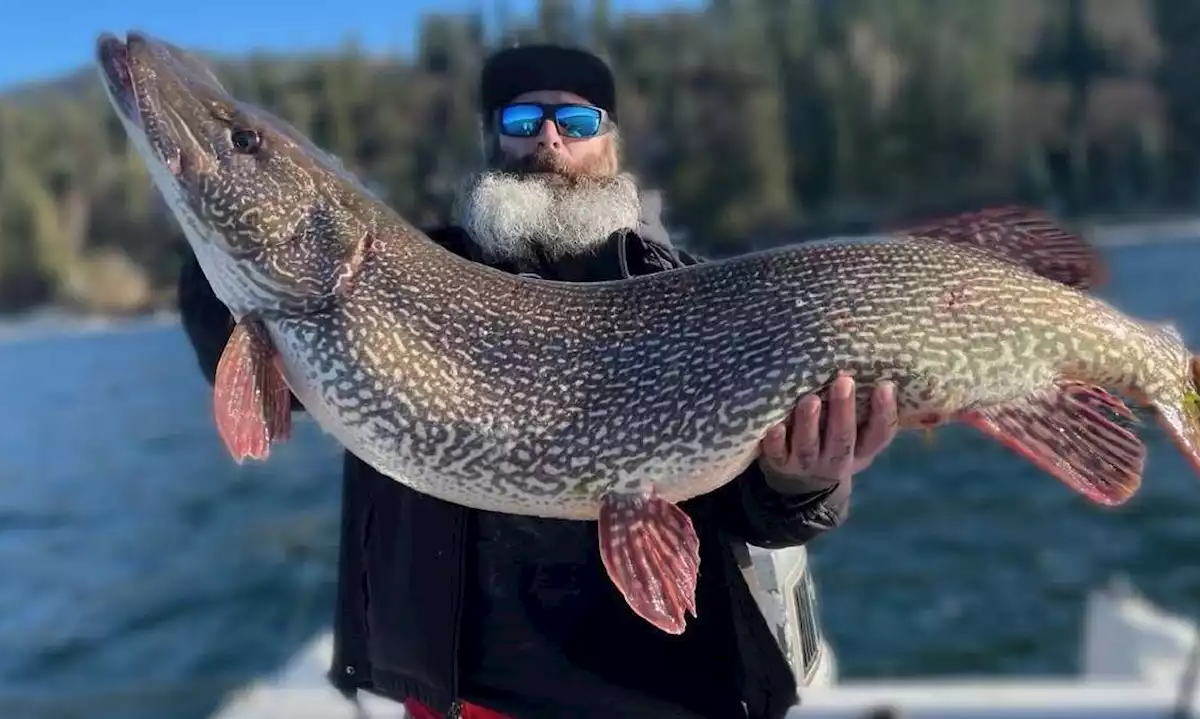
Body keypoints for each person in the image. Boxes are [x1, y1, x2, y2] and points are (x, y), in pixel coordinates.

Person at [176, 43, 899, 719]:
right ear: (493, 139)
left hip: (673, 691)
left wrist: (805, 480)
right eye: (524, 119)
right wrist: (217, 226)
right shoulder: (399, 270)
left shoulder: (689, 291)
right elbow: (251, 360)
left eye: (575, 120)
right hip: (468, 695)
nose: (549, 140)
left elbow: (759, 509)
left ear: (609, 142)